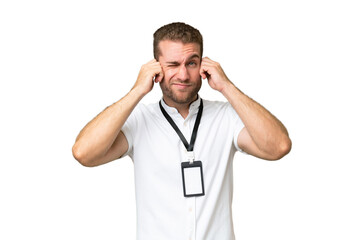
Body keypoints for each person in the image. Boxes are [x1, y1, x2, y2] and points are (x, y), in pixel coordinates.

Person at [72, 22, 292, 240]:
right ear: (156, 68)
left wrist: (227, 86)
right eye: (173, 64)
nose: (184, 75)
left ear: (203, 66)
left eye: (192, 63)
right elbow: (84, 153)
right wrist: (137, 90)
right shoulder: (138, 120)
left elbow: (278, 147)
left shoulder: (227, 117)